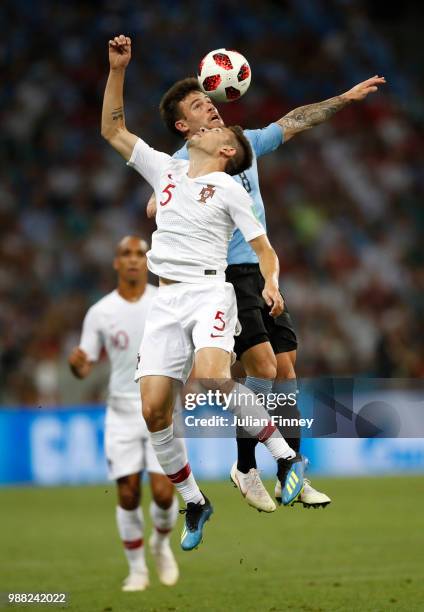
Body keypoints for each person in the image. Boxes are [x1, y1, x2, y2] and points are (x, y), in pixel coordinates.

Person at [101, 34, 307, 551]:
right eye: (202, 108)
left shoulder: (233, 189)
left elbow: (264, 249)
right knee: (154, 412)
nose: (216, 117)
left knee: (213, 379)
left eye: (218, 119)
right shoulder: (163, 169)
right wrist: (118, 69)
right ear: (183, 129)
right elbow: (112, 128)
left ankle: (283, 456)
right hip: (164, 302)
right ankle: (196, 501)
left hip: (210, 294)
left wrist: (273, 282)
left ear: (226, 151)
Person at [147, 72, 385, 511]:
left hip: (260, 270)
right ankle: (245, 466)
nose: (212, 106)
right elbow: (154, 204)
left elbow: (296, 120)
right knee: (262, 366)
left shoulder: (243, 143)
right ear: (182, 125)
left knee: (287, 371)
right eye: (199, 104)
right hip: (223, 275)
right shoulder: (183, 160)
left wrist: (346, 97)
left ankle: (289, 471)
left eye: (209, 100)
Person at [68, 236, 179, 592]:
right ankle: (137, 571)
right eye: (125, 255)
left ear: (148, 261)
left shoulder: (165, 301)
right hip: (120, 411)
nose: (133, 260)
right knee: (128, 493)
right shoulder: (100, 312)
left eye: (139, 254)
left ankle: (160, 545)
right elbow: (85, 364)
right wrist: (77, 365)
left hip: (160, 407)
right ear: (116, 263)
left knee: (163, 493)